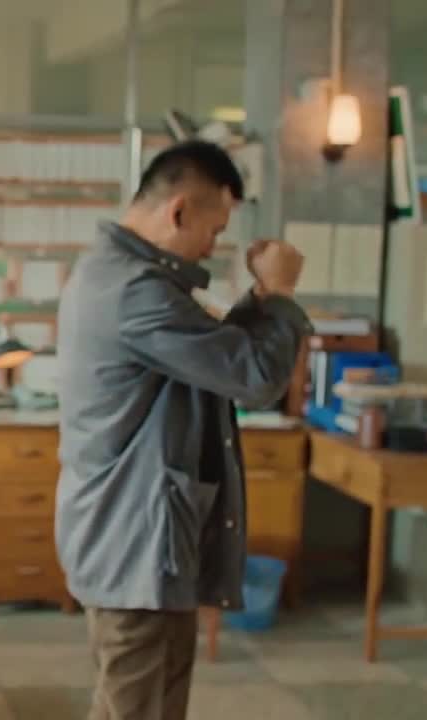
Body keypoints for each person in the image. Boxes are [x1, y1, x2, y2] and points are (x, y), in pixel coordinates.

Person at [55, 140, 310, 720]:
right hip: (133, 544)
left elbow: (214, 353)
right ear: (178, 212)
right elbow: (253, 377)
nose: (213, 247)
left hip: (143, 540)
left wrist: (260, 300)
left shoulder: (124, 276)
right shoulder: (134, 290)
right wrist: (279, 296)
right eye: (213, 230)